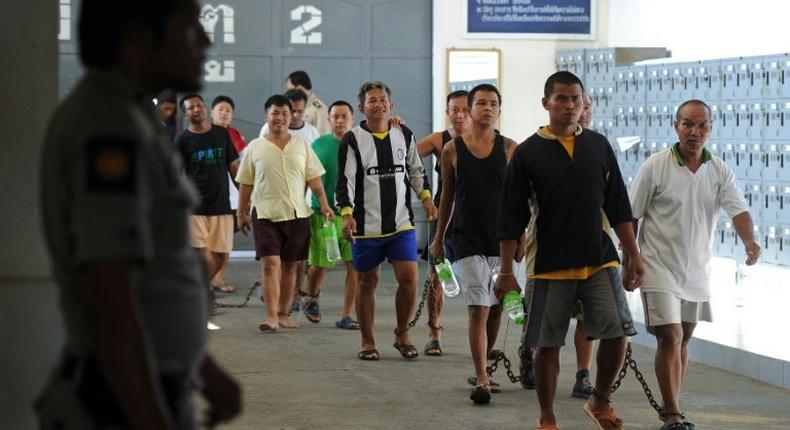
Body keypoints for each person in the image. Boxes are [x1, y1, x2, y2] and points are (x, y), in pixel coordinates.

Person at [36, 0, 241, 428]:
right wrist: (151, 419)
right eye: (188, 27)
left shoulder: (131, 115)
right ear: (136, 36)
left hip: (150, 381)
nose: (204, 40)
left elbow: (155, 278)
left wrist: (203, 368)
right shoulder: (108, 126)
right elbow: (110, 293)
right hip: (118, 398)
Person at [495, 71, 644, 430]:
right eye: (561, 99)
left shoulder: (598, 145)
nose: (569, 105)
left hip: (599, 258)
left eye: (576, 98)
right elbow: (511, 218)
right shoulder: (528, 153)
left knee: (616, 332)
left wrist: (633, 254)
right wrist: (504, 273)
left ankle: (600, 400)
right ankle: (547, 417)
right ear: (546, 103)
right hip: (550, 264)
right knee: (547, 345)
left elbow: (619, 205)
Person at [629, 99, 760, 430]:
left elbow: (738, 210)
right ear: (676, 126)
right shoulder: (655, 166)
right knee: (670, 336)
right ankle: (671, 412)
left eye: (702, 125)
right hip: (657, 266)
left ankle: (674, 403)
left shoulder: (718, 169)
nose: (695, 131)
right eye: (687, 124)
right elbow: (630, 216)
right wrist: (629, 259)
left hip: (696, 270)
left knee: (684, 337)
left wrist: (749, 240)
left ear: (710, 129)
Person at [430, 84, 519, 404]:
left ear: (499, 109)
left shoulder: (510, 148)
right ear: (469, 109)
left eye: (493, 103)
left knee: (496, 307)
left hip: (501, 240)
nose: (487, 108)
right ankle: (481, 376)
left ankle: (487, 370)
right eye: (481, 103)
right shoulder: (452, 150)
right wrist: (438, 238)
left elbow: (518, 198)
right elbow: (448, 196)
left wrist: (520, 237)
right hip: (465, 237)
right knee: (478, 307)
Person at [336, 81, 437, 361]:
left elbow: (416, 170)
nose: (378, 104)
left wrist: (427, 198)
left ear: (390, 105)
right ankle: (367, 341)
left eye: (383, 100)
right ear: (361, 108)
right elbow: (343, 181)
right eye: (372, 100)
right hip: (365, 226)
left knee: (409, 279)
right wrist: (346, 216)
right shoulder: (352, 139)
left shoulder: (404, 134)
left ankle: (402, 333)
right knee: (367, 282)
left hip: (400, 224)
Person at [236, 94, 333, 331]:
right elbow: (245, 183)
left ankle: (283, 313)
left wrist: (325, 203)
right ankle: (270, 316)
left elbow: (315, 179)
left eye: (284, 114)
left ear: (291, 117)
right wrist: (241, 212)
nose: (279, 118)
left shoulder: (302, 145)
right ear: (266, 116)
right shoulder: (254, 148)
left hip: (298, 213)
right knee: (270, 263)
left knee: (291, 266)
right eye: (275, 113)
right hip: (265, 213)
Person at [416, 89, 469, 356]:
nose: (460, 115)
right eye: (454, 110)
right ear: (447, 111)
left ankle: (485, 338)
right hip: (444, 212)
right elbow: (408, 159)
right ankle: (434, 331)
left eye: (464, 109)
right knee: (437, 273)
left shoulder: (488, 141)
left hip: (476, 214)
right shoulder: (440, 140)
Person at [259, 88, 321, 312]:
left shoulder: (311, 134)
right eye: (289, 111)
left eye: (298, 111)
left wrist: (321, 202)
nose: (293, 116)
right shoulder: (266, 132)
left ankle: (294, 295)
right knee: (271, 259)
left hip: (302, 206)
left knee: (296, 261)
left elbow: (314, 172)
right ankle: (272, 300)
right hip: (269, 206)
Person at [302, 100, 359, 329]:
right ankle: (312, 297)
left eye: (344, 116)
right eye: (335, 116)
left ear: (352, 119)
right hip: (323, 214)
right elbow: (308, 178)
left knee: (354, 264)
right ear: (329, 120)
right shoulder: (318, 146)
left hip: (353, 216)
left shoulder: (359, 145)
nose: (340, 120)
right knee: (320, 265)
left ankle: (347, 314)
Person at [175, 94, 239, 295]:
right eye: (190, 108)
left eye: (198, 105)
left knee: (220, 256)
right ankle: (200, 293)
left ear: (204, 108)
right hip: (196, 208)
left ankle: (198, 289)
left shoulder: (221, 134)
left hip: (221, 205)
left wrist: (246, 199)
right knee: (201, 255)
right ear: (185, 114)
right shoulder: (183, 140)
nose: (195, 109)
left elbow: (233, 167)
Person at [210, 95, 246, 292]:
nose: (224, 113)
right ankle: (206, 278)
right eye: (220, 109)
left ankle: (218, 279)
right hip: (207, 200)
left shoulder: (236, 135)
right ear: (212, 112)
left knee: (225, 242)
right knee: (206, 244)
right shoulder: (202, 133)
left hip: (232, 199)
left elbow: (244, 165)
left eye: (228, 110)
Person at [286, 70, 330, 135]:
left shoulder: (319, 109)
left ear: (299, 88)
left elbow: (323, 136)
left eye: (290, 90)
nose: (289, 93)